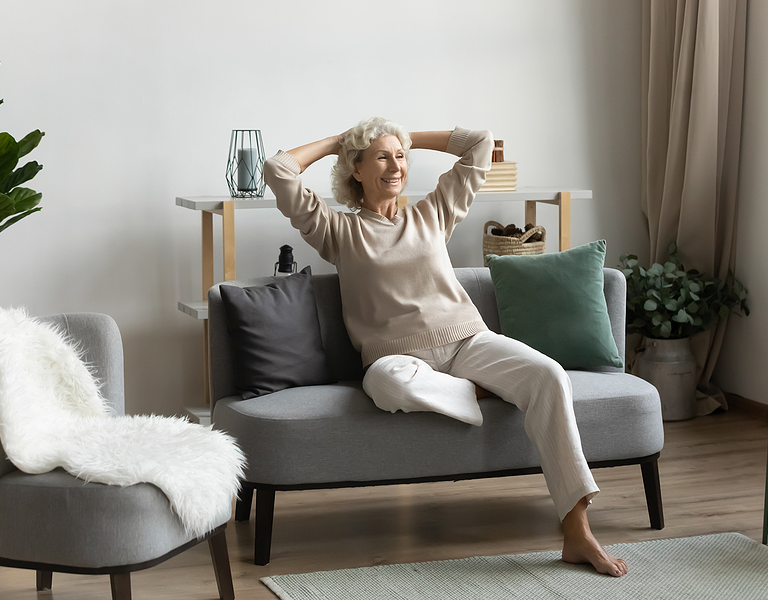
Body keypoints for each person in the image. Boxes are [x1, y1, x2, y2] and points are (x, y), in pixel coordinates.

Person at [263, 117, 628, 577]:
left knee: (549, 376)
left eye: (400, 157)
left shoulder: (433, 212)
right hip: (396, 359)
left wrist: (404, 136)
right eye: (381, 156)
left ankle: (577, 530)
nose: (395, 165)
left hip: (466, 340)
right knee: (383, 384)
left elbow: (480, 144)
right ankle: (479, 392)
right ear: (356, 169)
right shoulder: (337, 231)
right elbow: (277, 169)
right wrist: (341, 141)